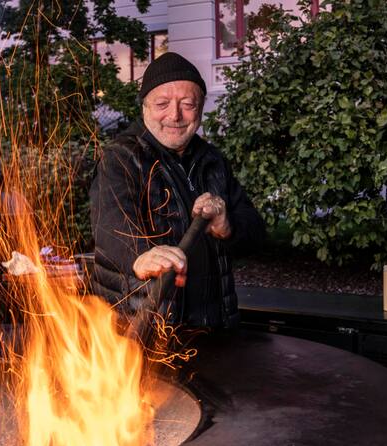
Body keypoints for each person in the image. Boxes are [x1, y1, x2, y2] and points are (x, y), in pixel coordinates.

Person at [90, 52, 265, 332]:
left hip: (212, 331)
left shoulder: (213, 161)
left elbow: (257, 235)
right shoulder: (121, 157)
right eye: (162, 104)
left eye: (187, 104)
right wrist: (140, 255)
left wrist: (228, 226)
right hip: (140, 332)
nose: (175, 115)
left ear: (201, 108)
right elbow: (109, 225)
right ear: (145, 107)